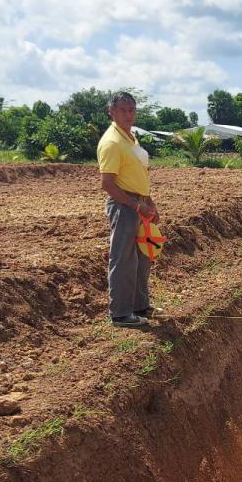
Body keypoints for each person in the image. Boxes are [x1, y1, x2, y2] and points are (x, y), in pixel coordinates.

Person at [98, 91, 160, 328]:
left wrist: (149, 202)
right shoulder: (112, 142)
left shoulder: (130, 138)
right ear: (111, 112)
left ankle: (140, 306)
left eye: (132, 109)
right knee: (123, 259)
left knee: (142, 257)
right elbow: (107, 183)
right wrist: (136, 205)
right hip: (125, 206)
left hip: (139, 203)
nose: (128, 114)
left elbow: (138, 174)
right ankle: (121, 314)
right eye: (123, 110)